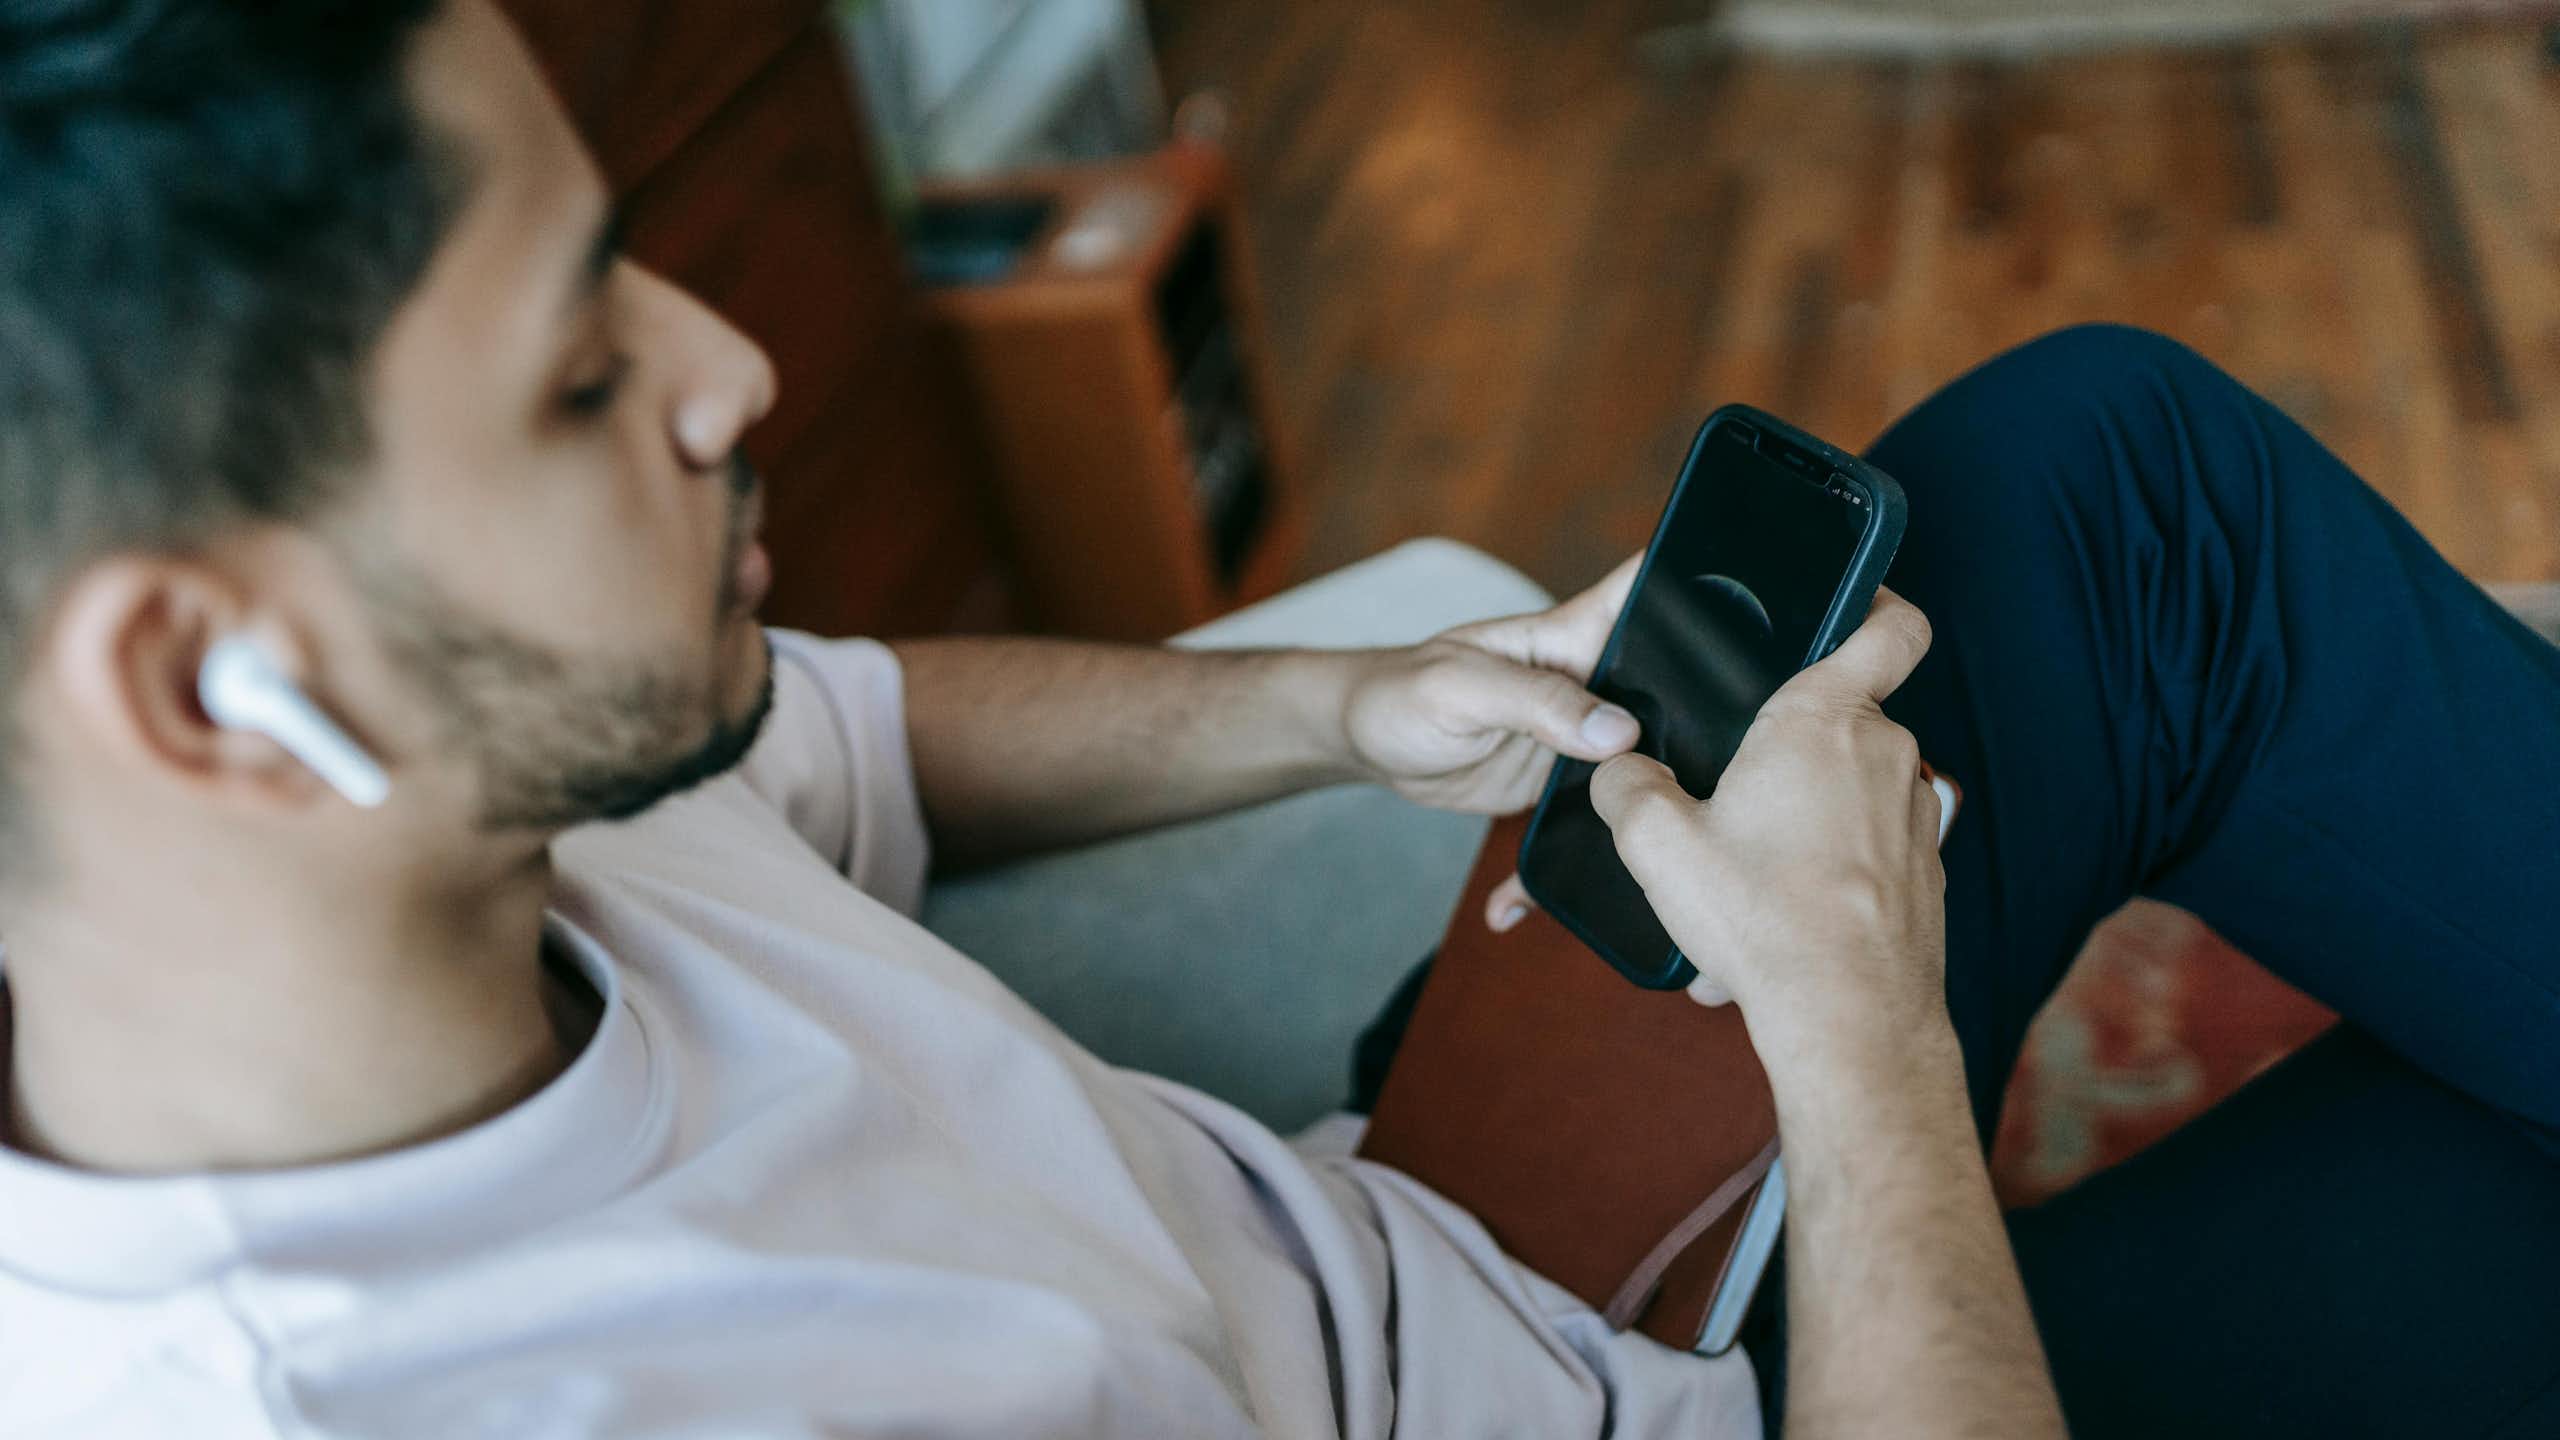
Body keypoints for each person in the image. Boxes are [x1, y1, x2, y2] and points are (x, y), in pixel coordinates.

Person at [0, 5, 2549, 1439]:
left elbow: (851, 736)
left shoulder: (449, 816)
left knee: (2106, 478)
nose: (733, 365)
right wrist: (1857, 1034)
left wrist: (1352, 706)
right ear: (200, 686)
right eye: (578, 373)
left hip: (1421, 1245)